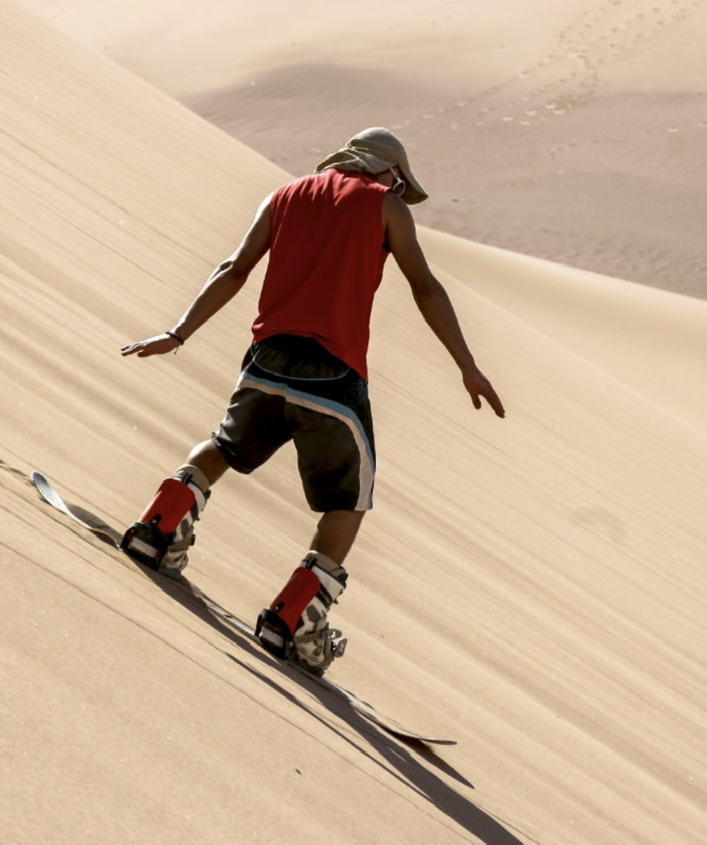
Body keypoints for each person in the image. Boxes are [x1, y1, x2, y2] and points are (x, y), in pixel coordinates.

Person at [119, 127, 505, 675]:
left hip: (267, 360)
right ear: (384, 172)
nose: (399, 188)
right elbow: (424, 286)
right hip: (333, 377)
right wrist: (467, 365)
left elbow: (234, 268)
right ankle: (295, 620)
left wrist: (179, 333)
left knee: (225, 446)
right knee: (348, 502)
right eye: (399, 180)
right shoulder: (385, 206)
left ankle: (158, 529)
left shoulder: (285, 193)